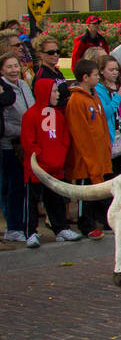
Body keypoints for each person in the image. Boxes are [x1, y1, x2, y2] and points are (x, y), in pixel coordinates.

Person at [20, 77, 80, 245]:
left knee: (56, 201)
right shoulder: (30, 115)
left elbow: (64, 138)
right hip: (36, 170)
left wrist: (60, 156)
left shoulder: (58, 115)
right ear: (44, 93)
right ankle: (30, 233)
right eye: (54, 91)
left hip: (55, 169)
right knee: (32, 202)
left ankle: (61, 228)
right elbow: (29, 142)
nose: (57, 94)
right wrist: (42, 158)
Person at [64, 59, 112, 237]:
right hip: (86, 159)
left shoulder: (94, 96)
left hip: (99, 155)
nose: (98, 78)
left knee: (98, 191)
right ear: (85, 77)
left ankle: (99, 221)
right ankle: (86, 225)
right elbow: (80, 134)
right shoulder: (76, 100)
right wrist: (90, 159)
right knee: (86, 193)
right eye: (95, 75)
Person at [1, 51, 34, 242]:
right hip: (11, 145)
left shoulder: (23, 84)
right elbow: (4, 122)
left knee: (24, 186)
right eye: (9, 67)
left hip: (27, 143)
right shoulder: (3, 89)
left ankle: (22, 224)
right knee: (14, 186)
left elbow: (31, 109)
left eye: (16, 66)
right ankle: (13, 226)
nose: (14, 70)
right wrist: (23, 130)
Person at [95, 53, 121, 178]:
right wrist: (118, 96)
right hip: (111, 137)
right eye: (111, 70)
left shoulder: (120, 86)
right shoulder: (98, 90)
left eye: (117, 70)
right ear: (101, 71)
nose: (115, 73)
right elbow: (105, 113)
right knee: (110, 174)